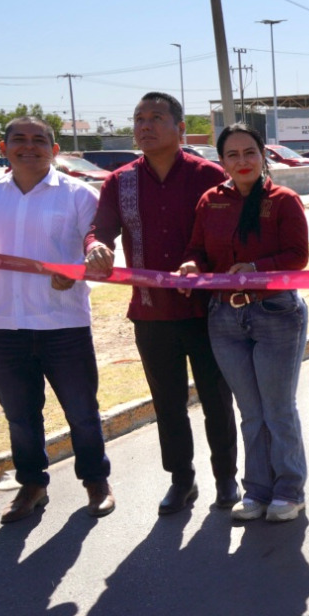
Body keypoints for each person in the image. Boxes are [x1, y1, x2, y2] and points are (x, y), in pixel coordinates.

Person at [0, 116, 114, 523]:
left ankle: (96, 482)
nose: (29, 147)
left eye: (39, 140)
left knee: (82, 413)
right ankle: (32, 485)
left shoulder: (78, 194)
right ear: (3, 149)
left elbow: (94, 246)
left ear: (54, 150)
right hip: (6, 326)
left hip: (64, 325)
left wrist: (77, 270)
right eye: (19, 140)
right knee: (20, 417)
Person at [85, 92, 237, 515]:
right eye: (139, 118)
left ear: (180, 128)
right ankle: (181, 481)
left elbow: (226, 237)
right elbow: (100, 230)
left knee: (217, 401)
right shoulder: (119, 182)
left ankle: (227, 478)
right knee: (168, 405)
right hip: (151, 314)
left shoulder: (210, 176)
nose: (145, 125)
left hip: (208, 312)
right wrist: (96, 247)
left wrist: (198, 263)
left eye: (156, 117)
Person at [178, 124, 309, 523]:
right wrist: (191, 265)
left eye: (249, 152)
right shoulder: (210, 201)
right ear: (222, 162)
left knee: (278, 409)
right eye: (232, 155)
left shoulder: (283, 200)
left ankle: (289, 490)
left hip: (276, 314)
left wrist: (256, 268)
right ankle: (257, 490)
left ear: (262, 155)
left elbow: (298, 256)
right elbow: (198, 250)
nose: (242, 161)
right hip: (224, 318)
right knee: (251, 412)